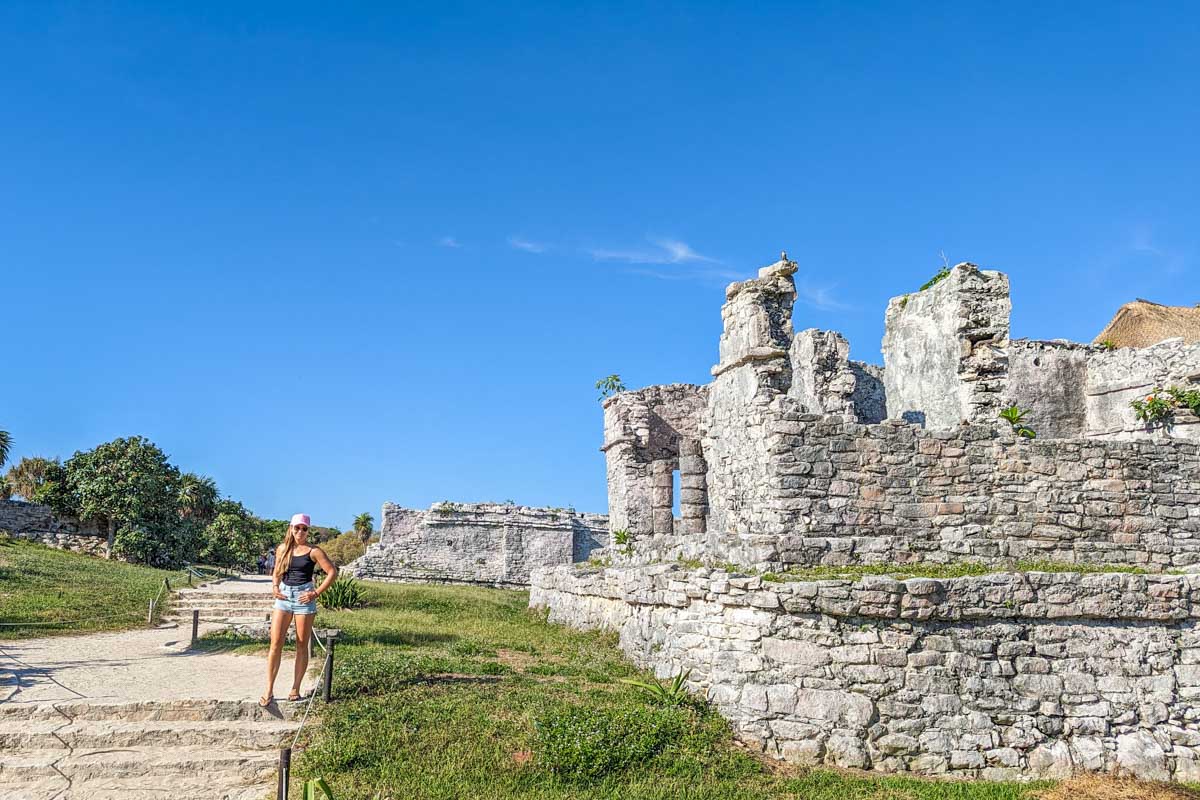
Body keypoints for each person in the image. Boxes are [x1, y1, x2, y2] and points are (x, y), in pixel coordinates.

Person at [260, 513, 338, 706]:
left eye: (304, 528)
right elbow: (277, 571)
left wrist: (316, 593)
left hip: (304, 596)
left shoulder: (314, 551)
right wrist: (275, 587)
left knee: (301, 645)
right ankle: (268, 689)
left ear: (308, 531)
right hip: (285, 597)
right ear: (291, 528)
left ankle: (295, 688)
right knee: (275, 644)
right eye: (297, 528)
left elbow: (332, 572)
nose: (300, 532)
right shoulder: (282, 549)